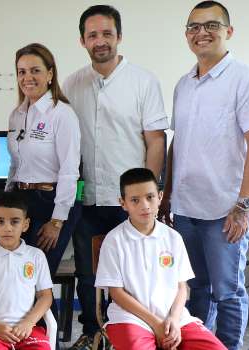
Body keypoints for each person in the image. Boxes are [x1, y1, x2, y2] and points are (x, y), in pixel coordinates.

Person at [160, 2, 249, 349]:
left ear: (228, 31)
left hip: (226, 210)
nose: (201, 32)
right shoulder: (183, 84)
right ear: (187, 34)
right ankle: (201, 344)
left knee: (228, 291)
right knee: (195, 288)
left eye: (211, 25)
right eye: (193, 26)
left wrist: (244, 203)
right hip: (186, 208)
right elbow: (178, 143)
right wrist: (166, 195)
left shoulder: (246, 79)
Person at [62, 6, 169, 349]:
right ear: (82, 40)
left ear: (119, 37)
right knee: (88, 274)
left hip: (130, 203)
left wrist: (147, 198)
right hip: (88, 198)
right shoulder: (72, 84)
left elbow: (156, 140)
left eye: (107, 33)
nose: (100, 40)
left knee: (135, 274)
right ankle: (93, 331)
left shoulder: (143, 81)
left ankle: (133, 332)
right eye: (92, 35)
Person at [96, 168, 226, 350]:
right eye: (135, 200)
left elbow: (182, 287)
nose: (145, 205)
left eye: (150, 197)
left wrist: (172, 319)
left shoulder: (173, 238)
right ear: (123, 203)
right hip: (131, 319)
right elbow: (116, 293)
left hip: (175, 319)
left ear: (160, 197)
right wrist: (156, 324)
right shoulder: (114, 240)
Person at [6, 43, 81, 275]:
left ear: (50, 74)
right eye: (22, 72)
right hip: (21, 200)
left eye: (35, 70)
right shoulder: (17, 114)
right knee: (16, 274)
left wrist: (57, 221)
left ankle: (44, 314)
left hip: (51, 201)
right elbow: (16, 164)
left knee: (38, 276)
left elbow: (70, 170)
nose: (27, 77)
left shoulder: (62, 114)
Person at [0, 192, 53, 350]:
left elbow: (45, 296)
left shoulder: (36, 256)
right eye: (0, 221)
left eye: (15, 222)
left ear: (25, 225)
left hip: (27, 329)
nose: (7, 228)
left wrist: (28, 323)